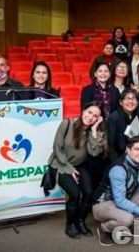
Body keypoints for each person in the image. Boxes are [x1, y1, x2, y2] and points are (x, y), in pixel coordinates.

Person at [50, 102, 107, 238]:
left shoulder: (94, 132)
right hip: (61, 164)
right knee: (74, 194)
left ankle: (79, 221)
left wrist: (94, 131)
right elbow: (57, 149)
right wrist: (69, 169)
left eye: (95, 116)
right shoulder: (67, 124)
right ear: (83, 110)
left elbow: (94, 153)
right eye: (89, 112)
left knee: (89, 193)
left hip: (80, 165)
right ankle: (70, 225)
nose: (91, 117)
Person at [107, 89, 139, 163]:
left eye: (133, 99)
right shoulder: (114, 118)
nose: (130, 101)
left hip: (135, 155)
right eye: (127, 98)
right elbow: (111, 146)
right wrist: (117, 163)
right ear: (121, 102)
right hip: (119, 158)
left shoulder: (137, 115)